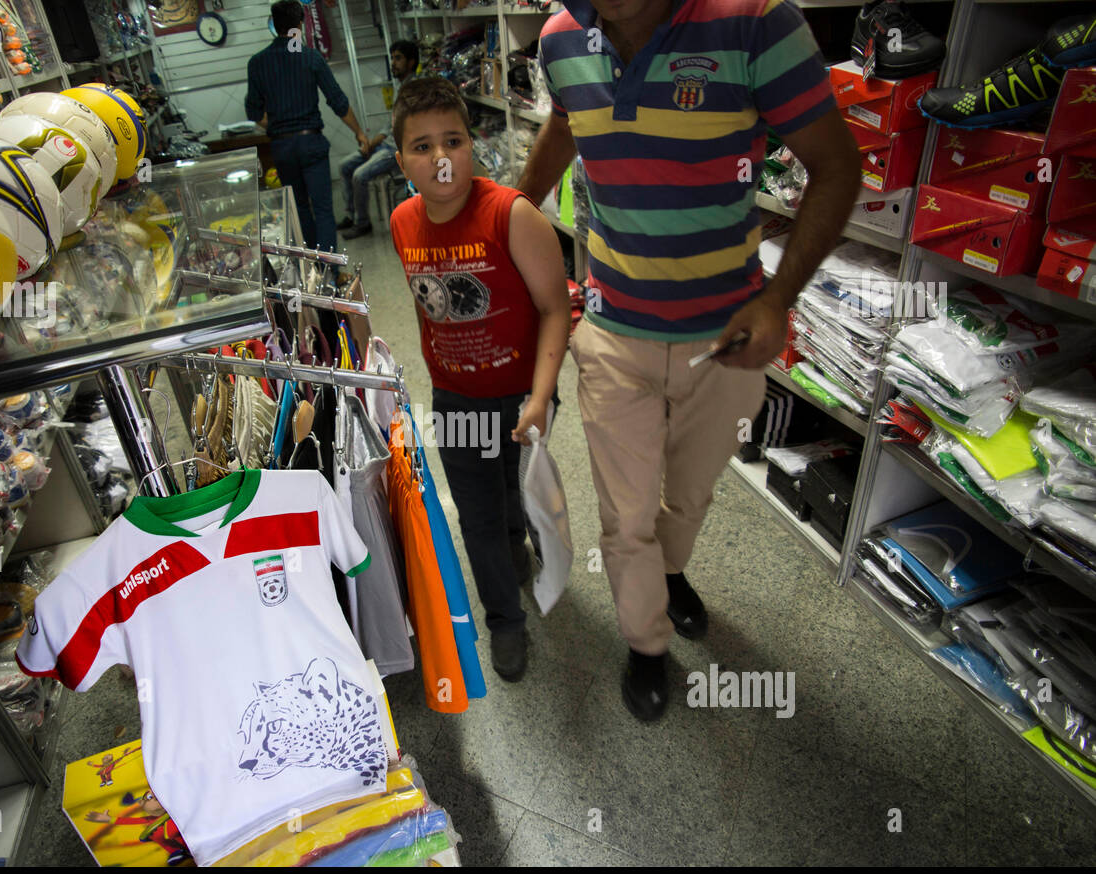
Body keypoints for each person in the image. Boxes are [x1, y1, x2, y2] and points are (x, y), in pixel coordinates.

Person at [516, 0, 861, 721]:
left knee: (692, 495)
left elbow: (835, 167)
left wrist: (778, 298)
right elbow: (565, 122)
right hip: (613, 333)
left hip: (725, 339)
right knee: (625, 514)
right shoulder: (558, 40)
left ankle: (670, 574)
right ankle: (646, 643)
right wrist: (513, 211)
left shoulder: (755, 23)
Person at [389, 77, 571, 682]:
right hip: (456, 397)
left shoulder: (511, 214)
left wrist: (541, 398)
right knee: (479, 514)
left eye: (454, 140)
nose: (441, 159)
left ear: (473, 145)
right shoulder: (400, 223)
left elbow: (554, 308)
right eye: (422, 147)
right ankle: (505, 622)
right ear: (400, 161)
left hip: (522, 394)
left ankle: (522, 547)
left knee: (515, 490)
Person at [245, 0, 371, 252]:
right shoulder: (310, 57)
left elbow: (253, 112)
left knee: (299, 207)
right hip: (311, 143)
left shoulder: (257, 63)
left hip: (281, 147)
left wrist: (278, 124)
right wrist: (358, 132)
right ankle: (330, 273)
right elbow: (338, 101)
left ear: (273, 24)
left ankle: (312, 269)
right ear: (300, 25)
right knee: (323, 209)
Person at [337, 39, 420, 239]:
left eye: (398, 58)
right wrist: (371, 143)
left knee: (359, 175)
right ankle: (351, 213)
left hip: (396, 150)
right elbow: (389, 123)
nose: (393, 62)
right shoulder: (400, 87)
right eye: (392, 58)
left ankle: (362, 223)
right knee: (344, 166)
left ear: (411, 62)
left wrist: (380, 145)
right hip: (384, 145)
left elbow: (403, 128)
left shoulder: (415, 89)